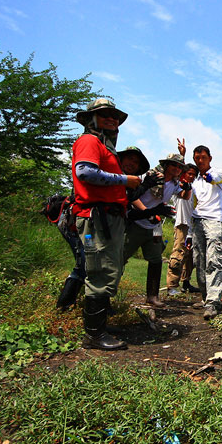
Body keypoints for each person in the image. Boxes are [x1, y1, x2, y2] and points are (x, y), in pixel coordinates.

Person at [71, 97, 145, 350]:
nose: (112, 120)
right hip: (97, 217)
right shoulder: (89, 141)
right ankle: (93, 335)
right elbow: (85, 172)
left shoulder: (106, 148)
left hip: (110, 217)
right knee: (100, 269)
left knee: (108, 269)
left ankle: (99, 326)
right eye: (105, 116)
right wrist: (124, 179)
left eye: (114, 117)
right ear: (92, 120)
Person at [120, 148, 185, 308]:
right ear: (167, 166)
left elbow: (184, 195)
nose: (177, 169)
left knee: (156, 260)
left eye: (179, 167)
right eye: (174, 166)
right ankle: (107, 293)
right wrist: (148, 212)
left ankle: (153, 296)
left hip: (154, 227)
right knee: (120, 257)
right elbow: (133, 198)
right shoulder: (151, 177)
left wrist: (188, 187)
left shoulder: (175, 184)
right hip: (136, 222)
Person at [190, 145, 222, 319]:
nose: (200, 160)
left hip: (214, 220)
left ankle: (213, 303)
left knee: (215, 260)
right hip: (197, 220)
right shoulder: (196, 180)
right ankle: (206, 298)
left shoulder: (217, 173)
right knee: (199, 260)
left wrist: (210, 176)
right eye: (197, 158)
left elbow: (218, 177)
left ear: (209, 158)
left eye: (203, 157)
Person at [166, 162, 198, 296]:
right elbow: (179, 173)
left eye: (194, 175)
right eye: (189, 173)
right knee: (178, 256)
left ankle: (186, 283)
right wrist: (182, 155)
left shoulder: (192, 189)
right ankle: (172, 286)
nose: (191, 177)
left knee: (189, 259)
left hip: (191, 227)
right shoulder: (178, 187)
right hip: (182, 225)